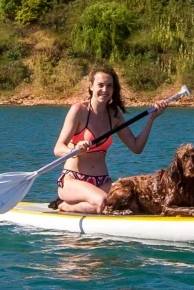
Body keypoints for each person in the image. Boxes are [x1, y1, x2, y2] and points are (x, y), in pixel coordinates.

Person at [51, 67, 170, 214]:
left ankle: (90, 204)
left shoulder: (114, 115)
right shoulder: (79, 111)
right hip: (73, 180)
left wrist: (151, 119)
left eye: (109, 86)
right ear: (91, 86)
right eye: (100, 85)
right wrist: (75, 151)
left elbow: (136, 147)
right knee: (102, 201)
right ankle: (66, 206)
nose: (104, 90)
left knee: (133, 204)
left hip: (102, 181)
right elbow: (58, 149)